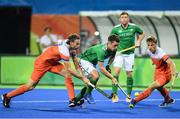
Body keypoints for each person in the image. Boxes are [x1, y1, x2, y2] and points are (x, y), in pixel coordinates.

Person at [1, 34, 90, 108]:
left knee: (68, 75)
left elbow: (75, 63)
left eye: (79, 44)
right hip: (42, 63)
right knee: (30, 87)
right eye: (77, 44)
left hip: (53, 63)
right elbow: (69, 68)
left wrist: (83, 77)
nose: (79, 46)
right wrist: (82, 78)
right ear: (71, 42)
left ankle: (72, 100)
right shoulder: (64, 50)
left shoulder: (70, 45)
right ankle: (7, 96)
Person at [129, 36, 177, 108]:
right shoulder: (149, 51)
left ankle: (135, 100)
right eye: (148, 45)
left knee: (152, 86)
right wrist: (154, 62)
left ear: (156, 44)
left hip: (165, 74)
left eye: (152, 45)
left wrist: (174, 72)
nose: (150, 47)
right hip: (157, 71)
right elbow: (154, 58)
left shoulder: (161, 53)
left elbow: (171, 63)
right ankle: (168, 99)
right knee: (159, 88)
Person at [73, 34, 119, 104]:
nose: (116, 47)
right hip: (84, 61)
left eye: (117, 45)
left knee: (90, 84)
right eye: (115, 45)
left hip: (92, 63)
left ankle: (75, 101)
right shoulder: (101, 51)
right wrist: (112, 78)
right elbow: (101, 68)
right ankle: (87, 95)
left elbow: (112, 57)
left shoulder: (113, 49)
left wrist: (108, 65)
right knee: (96, 76)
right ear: (109, 43)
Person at [110, 11, 145, 103]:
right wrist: (114, 49)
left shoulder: (134, 27)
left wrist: (138, 41)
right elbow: (111, 40)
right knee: (116, 73)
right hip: (119, 54)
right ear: (119, 19)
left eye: (126, 17)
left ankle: (128, 95)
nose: (124, 19)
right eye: (122, 17)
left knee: (129, 74)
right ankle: (114, 94)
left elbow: (142, 34)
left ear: (128, 18)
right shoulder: (115, 29)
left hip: (130, 54)